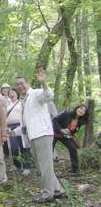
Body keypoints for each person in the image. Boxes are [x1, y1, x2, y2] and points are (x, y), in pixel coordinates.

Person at [16, 69, 66, 203]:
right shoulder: (24, 100)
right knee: (41, 166)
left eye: (22, 83)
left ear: (27, 83)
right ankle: (58, 190)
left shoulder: (36, 93)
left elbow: (48, 95)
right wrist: (14, 132)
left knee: (45, 166)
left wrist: (43, 83)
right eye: (17, 84)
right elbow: (27, 123)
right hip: (33, 136)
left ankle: (47, 194)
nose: (20, 86)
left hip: (43, 134)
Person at [0, 78, 32, 174]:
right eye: (10, 93)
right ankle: (17, 165)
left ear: (17, 94)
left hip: (20, 126)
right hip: (10, 127)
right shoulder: (7, 103)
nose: (11, 94)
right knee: (14, 148)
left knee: (24, 147)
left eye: (13, 92)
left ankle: (27, 166)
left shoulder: (22, 102)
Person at [52, 105, 88, 174]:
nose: (81, 111)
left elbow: (72, 130)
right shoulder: (67, 114)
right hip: (55, 133)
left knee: (73, 149)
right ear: (76, 108)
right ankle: (49, 170)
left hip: (65, 136)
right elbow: (54, 120)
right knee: (50, 150)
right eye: (80, 108)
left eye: (84, 111)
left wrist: (71, 135)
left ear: (84, 114)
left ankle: (75, 170)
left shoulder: (80, 121)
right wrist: (60, 129)